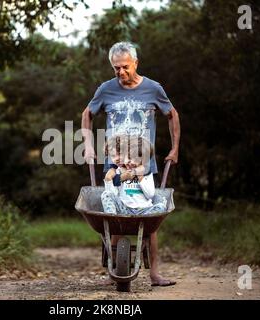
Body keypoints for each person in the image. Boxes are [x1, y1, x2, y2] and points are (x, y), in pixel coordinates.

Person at [81, 41, 181, 286]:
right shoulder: (105, 89)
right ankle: (116, 268)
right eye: (116, 68)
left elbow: (172, 115)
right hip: (114, 165)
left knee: (150, 215)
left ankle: (155, 273)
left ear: (135, 62)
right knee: (114, 214)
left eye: (125, 67)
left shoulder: (153, 89)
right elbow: (87, 115)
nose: (121, 72)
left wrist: (175, 148)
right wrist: (88, 145)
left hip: (143, 166)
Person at [101, 134, 167, 215]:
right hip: (124, 210)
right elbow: (114, 195)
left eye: (135, 159)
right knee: (106, 194)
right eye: (129, 157)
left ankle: (145, 220)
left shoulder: (146, 172)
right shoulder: (118, 172)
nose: (131, 162)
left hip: (144, 210)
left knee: (161, 205)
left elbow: (150, 195)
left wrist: (140, 176)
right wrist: (108, 179)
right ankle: (112, 220)